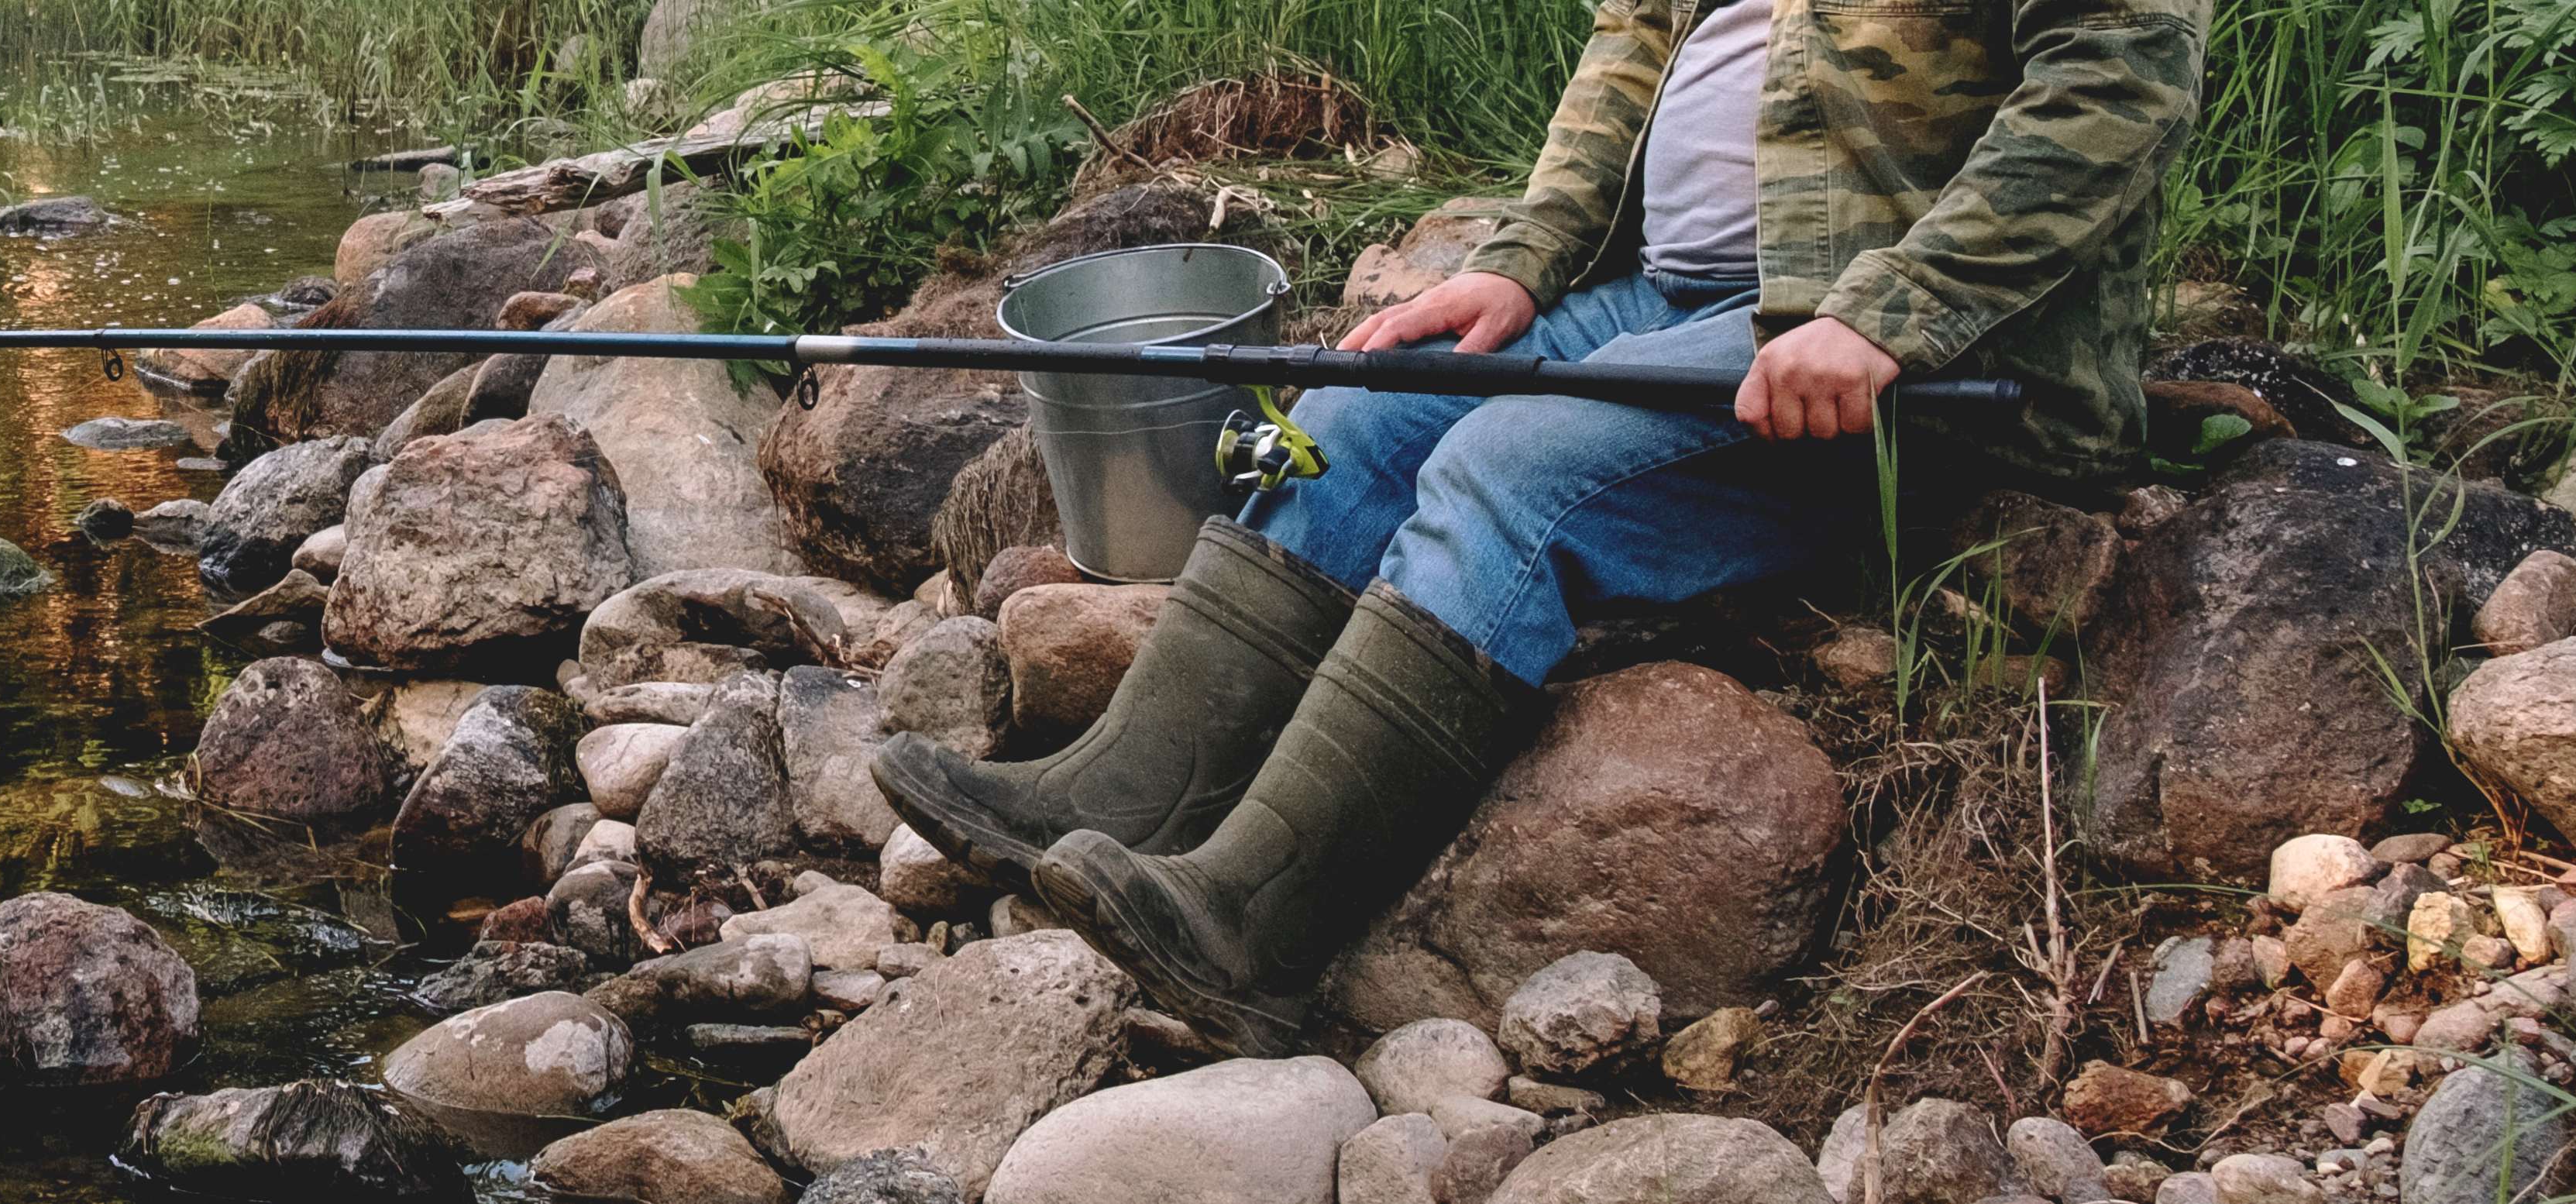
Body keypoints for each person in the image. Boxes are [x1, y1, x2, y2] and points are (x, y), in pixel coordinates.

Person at [876, 0, 2207, 1054]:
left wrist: (1891, 312)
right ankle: (1121, 798)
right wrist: (1514, 265)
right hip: (1670, 299)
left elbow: (2121, 66)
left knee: (1508, 469)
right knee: (1355, 421)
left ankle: (1248, 932)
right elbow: (1630, 49)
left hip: (1901, 354)